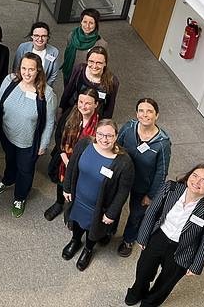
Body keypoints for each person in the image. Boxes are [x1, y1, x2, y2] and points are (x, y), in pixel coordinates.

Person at [125, 165, 204, 307]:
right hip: (159, 237)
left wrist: (196, 265)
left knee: (166, 282)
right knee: (143, 270)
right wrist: (143, 236)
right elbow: (152, 212)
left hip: (183, 249)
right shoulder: (170, 188)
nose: (197, 182)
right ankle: (136, 292)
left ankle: (150, 303)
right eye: (195, 175)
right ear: (188, 176)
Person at [61, 119, 134, 271]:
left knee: (92, 230)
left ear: (116, 136)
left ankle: (88, 249)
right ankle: (75, 240)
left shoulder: (124, 162)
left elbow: (123, 191)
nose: (104, 139)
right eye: (100, 134)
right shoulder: (84, 144)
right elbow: (72, 166)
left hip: (99, 207)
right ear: (95, 133)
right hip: (78, 198)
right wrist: (67, 188)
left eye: (109, 135)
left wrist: (111, 213)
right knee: (76, 222)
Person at [0, 53, 56, 217]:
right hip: (7, 134)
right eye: (24, 68)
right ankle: (7, 179)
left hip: (29, 142)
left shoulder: (47, 93)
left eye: (31, 69)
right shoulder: (10, 80)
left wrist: (43, 144)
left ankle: (20, 196)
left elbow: (49, 122)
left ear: (38, 70)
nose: (27, 73)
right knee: (10, 159)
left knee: (25, 170)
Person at [116, 98, 172, 258]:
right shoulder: (129, 127)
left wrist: (151, 195)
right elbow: (117, 148)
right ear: (136, 113)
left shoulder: (162, 143)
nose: (145, 114)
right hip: (121, 179)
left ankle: (128, 239)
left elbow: (162, 172)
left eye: (149, 111)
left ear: (157, 115)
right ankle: (109, 231)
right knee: (114, 205)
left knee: (136, 215)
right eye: (141, 110)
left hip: (142, 186)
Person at [44, 89, 101, 221]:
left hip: (85, 165)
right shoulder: (70, 114)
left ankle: (72, 210)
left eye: (88, 103)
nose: (83, 106)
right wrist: (63, 156)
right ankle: (59, 203)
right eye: (81, 102)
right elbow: (58, 135)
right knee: (61, 182)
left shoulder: (100, 124)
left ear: (96, 104)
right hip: (64, 160)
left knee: (78, 188)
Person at [59, 46, 119, 120]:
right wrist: (61, 110)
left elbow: (109, 107)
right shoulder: (79, 70)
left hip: (95, 118)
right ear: (87, 61)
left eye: (99, 63)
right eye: (91, 61)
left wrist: (105, 124)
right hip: (75, 112)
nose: (94, 66)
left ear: (105, 63)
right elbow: (68, 92)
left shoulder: (112, 81)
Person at [61, 8, 108, 82]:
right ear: (81, 22)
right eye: (85, 22)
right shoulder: (72, 35)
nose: (87, 26)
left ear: (96, 24)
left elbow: (101, 66)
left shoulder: (101, 44)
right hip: (70, 72)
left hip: (86, 77)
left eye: (91, 23)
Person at [13, 21, 60, 86]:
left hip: (43, 86)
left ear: (48, 37)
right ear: (32, 36)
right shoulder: (22, 47)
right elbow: (16, 68)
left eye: (43, 36)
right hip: (23, 84)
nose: (40, 39)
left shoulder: (54, 52)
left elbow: (53, 75)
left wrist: (43, 88)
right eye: (36, 35)